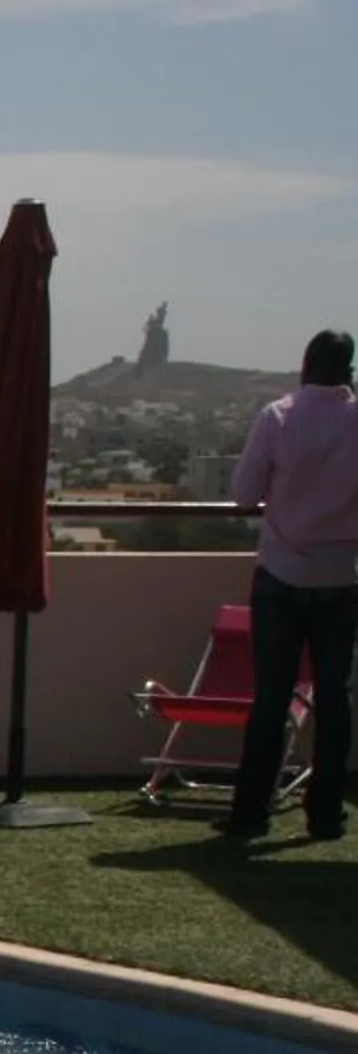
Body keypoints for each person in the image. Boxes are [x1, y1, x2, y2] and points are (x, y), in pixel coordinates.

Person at [224, 329, 358, 840]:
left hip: (281, 574)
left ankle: (250, 813)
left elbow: (244, 494)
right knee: (334, 699)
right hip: (340, 576)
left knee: (271, 697)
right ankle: (325, 814)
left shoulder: (278, 416)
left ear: (306, 364)